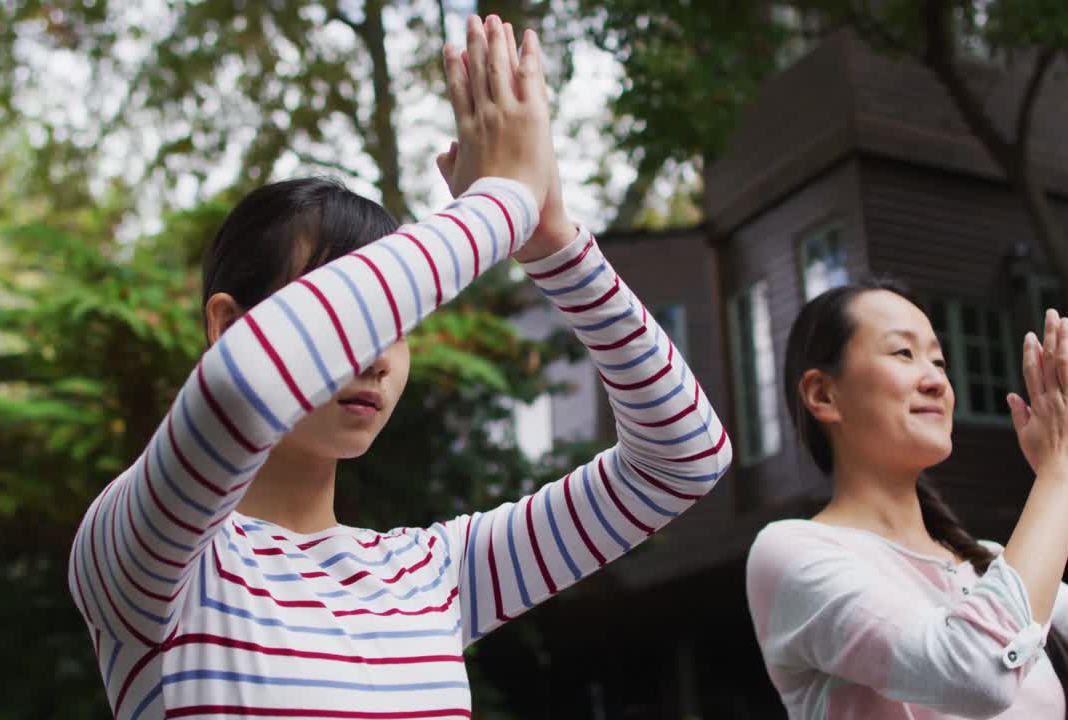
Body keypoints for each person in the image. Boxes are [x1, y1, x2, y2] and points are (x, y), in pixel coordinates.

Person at [68, 15, 731, 718]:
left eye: (396, 326)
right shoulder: (149, 560)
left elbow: (682, 459)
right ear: (229, 325)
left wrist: (553, 244)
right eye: (353, 317)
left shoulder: (432, 574)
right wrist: (502, 201)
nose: (379, 354)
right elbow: (245, 382)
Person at [746, 278, 1068, 719]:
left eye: (940, 363)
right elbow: (977, 672)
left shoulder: (992, 565)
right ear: (823, 394)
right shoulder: (792, 553)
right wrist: (1062, 470)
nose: (936, 381)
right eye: (904, 353)